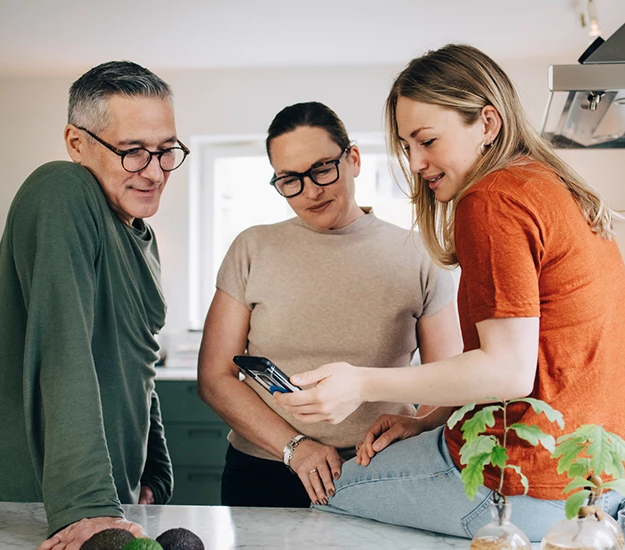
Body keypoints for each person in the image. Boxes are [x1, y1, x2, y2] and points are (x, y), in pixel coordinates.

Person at [275, 45, 625, 541]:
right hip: (597, 484)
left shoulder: (491, 199)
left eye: (427, 140)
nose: (416, 163)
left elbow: (508, 371)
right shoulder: (545, 184)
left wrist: (360, 383)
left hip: (523, 486)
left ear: (487, 123)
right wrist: (431, 420)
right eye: (407, 146)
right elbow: (533, 359)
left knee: (330, 496)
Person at [0, 61, 190, 549]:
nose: (154, 172)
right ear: (77, 143)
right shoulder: (61, 190)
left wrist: (153, 470)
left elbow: (136, 361)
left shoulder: (141, 236)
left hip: (107, 511)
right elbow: (64, 350)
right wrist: (88, 505)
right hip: (34, 511)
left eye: (166, 151)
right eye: (132, 152)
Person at [197, 101, 462, 508]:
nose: (311, 190)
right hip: (266, 470)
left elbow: (448, 380)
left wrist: (419, 424)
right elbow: (215, 377)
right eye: (290, 179)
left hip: (381, 469)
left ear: (353, 159)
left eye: (322, 169)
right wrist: (295, 447)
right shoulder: (252, 248)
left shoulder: (419, 254)